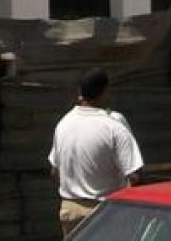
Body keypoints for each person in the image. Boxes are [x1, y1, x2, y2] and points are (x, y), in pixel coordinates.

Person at [48, 67, 144, 239]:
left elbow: (54, 171)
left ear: (80, 92)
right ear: (105, 91)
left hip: (71, 210)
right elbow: (134, 176)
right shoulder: (114, 125)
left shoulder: (64, 123)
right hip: (105, 212)